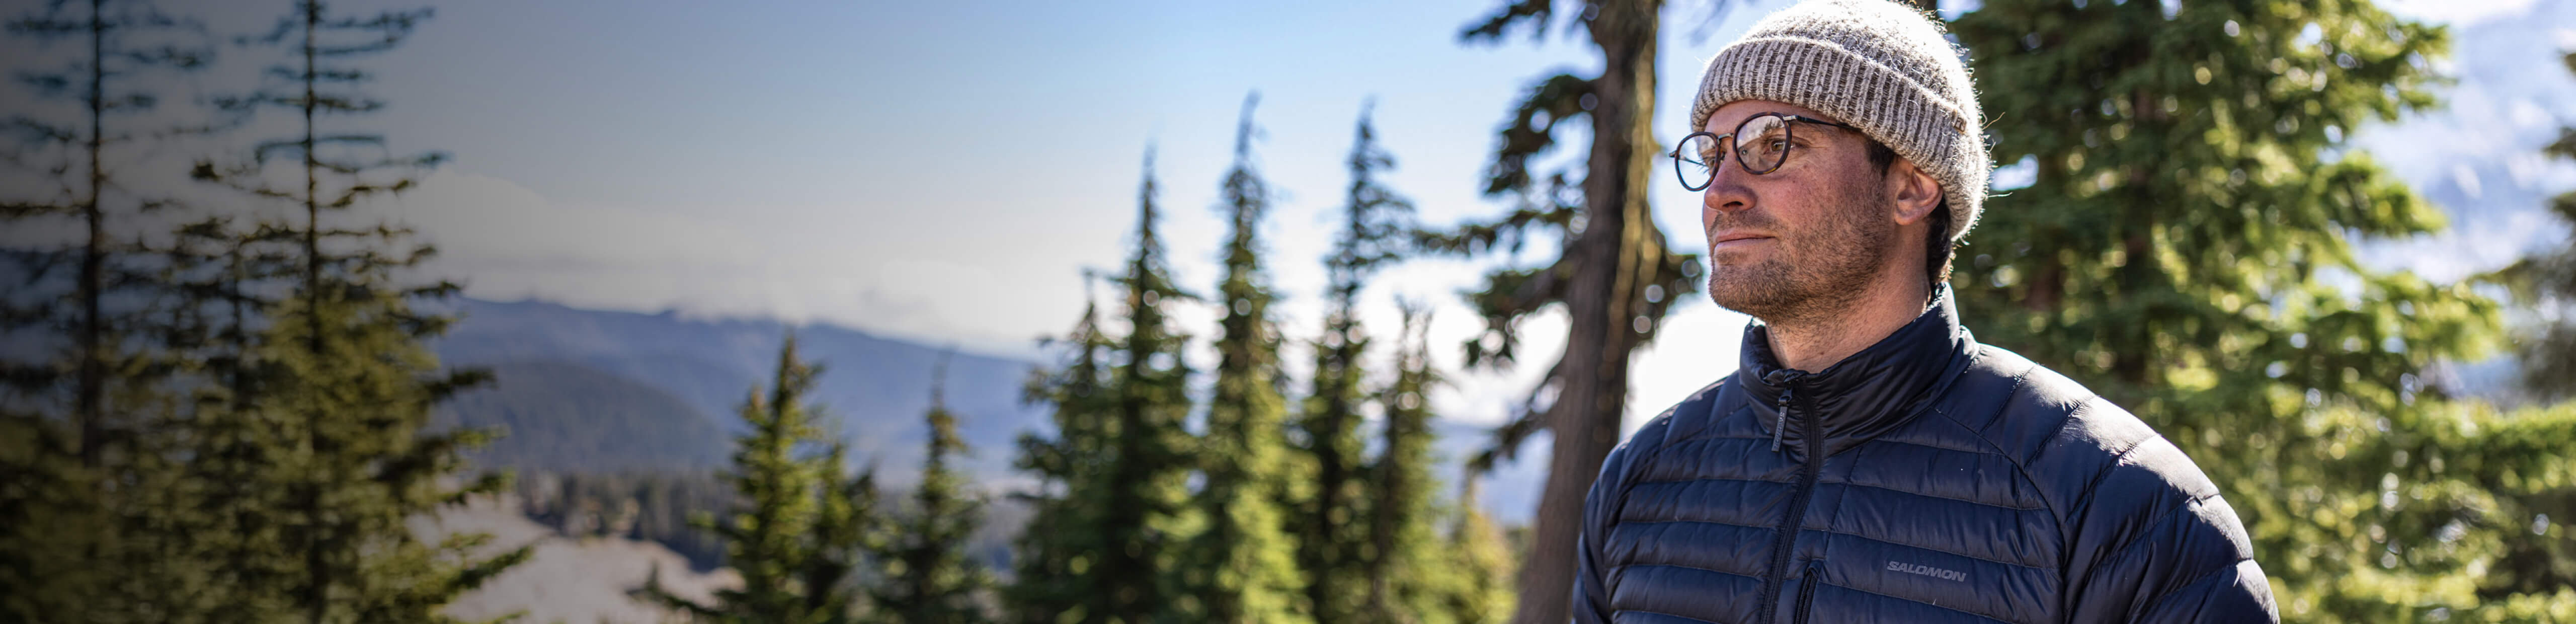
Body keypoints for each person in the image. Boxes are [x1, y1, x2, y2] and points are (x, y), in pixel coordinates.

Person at [1569, 1, 2278, 622]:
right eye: (1712, 152)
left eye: (1771, 144)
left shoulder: (2125, 510)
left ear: (1911, 188)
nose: (1720, 189)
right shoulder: (1643, 479)